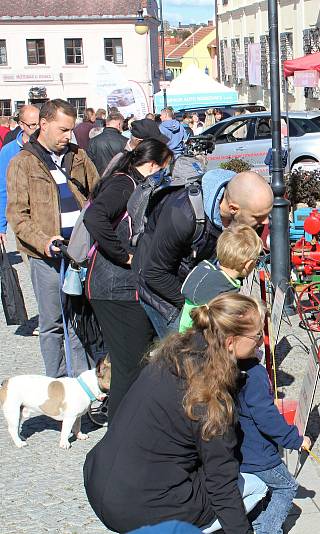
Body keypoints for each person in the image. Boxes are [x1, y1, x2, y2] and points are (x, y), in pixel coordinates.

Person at [83, 293, 271, 533]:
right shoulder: (209, 395)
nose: (259, 343)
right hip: (143, 510)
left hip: (99, 479)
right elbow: (221, 483)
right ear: (230, 342)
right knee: (257, 485)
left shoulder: (172, 355)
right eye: (256, 337)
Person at [6, 99, 99, 377]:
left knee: (80, 320)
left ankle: (83, 385)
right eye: (62, 130)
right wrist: (44, 241)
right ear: (43, 125)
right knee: (53, 323)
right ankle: (58, 384)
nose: (67, 136)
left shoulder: (78, 155)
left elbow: (98, 193)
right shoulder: (23, 162)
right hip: (47, 257)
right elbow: (18, 215)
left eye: (70, 130)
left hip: (82, 253)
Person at [84, 138, 172, 421]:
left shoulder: (131, 181)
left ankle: (131, 425)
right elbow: (94, 217)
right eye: (163, 169)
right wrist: (123, 255)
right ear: (151, 165)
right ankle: (120, 432)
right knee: (128, 366)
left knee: (135, 360)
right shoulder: (124, 184)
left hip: (120, 287)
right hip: (113, 288)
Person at [134, 170, 274, 338]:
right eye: (259, 216)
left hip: (201, 290)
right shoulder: (182, 215)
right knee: (189, 357)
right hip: (166, 293)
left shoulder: (245, 212)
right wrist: (202, 304)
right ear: (233, 208)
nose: (266, 221)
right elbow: (154, 272)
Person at [236, 323, 311, 534]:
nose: (261, 340)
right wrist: (295, 440)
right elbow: (266, 417)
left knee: (260, 489)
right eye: (258, 336)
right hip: (259, 453)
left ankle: (260, 525)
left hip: (241, 449)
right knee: (287, 487)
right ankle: (268, 531)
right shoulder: (255, 374)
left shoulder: (231, 367)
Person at [178, 224, 262, 333]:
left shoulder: (203, 270)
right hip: (206, 342)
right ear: (249, 264)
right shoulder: (227, 291)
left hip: (184, 334)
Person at [0, 105, 40, 246]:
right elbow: (3, 189)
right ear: (21, 125)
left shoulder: (49, 147)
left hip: (49, 217)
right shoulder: (8, 151)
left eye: (40, 123)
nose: (38, 128)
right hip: (23, 219)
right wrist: (1, 227)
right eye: (32, 125)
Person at [100, 118, 169, 178]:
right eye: (154, 142)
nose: (159, 145)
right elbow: (106, 184)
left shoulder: (154, 155)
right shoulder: (121, 159)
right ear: (139, 141)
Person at [87, 111, 127, 176]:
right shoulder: (125, 141)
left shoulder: (93, 141)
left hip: (100, 180)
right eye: (122, 124)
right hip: (118, 180)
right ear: (119, 124)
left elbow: (89, 164)